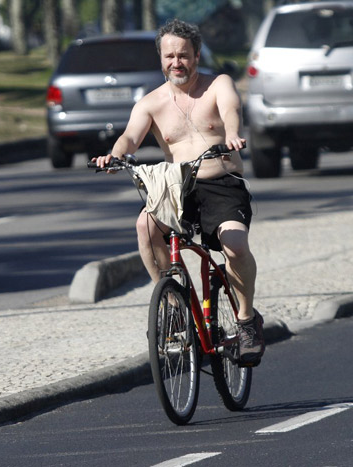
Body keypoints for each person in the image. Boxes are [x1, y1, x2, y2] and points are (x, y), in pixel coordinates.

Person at [93, 19, 264, 364]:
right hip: (177, 188)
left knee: (234, 245)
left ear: (197, 55)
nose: (176, 63)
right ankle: (174, 310)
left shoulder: (218, 85)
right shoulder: (151, 103)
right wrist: (115, 155)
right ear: (160, 58)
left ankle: (246, 319)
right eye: (169, 56)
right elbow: (129, 137)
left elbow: (231, 110)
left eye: (183, 55)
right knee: (145, 226)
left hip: (221, 184)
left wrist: (231, 134)